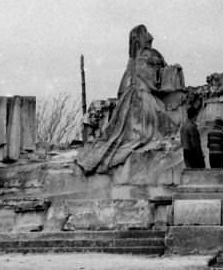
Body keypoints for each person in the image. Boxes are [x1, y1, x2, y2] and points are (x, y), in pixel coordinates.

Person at [77, 25, 179, 174]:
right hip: (142, 101)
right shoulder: (145, 57)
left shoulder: (135, 61)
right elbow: (155, 82)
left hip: (133, 101)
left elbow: (123, 88)